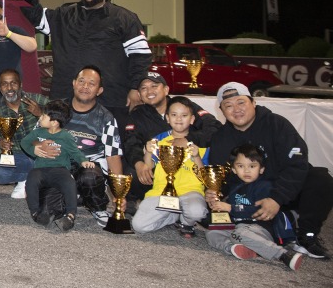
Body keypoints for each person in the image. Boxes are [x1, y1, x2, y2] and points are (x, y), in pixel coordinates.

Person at [206, 82, 333, 260]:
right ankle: (266, 229)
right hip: (250, 196)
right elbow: (222, 176)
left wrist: (276, 198)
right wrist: (213, 192)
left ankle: (307, 235)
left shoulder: (277, 124)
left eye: (241, 102)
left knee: (320, 178)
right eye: (228, 105)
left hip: (285, 192)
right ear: (222, 110)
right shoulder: (220, 138)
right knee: (206, 215)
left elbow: (297, 164)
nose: (236, 109)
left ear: (253, 103)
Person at [22, 0, 151, 121]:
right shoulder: (65, 14)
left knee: (109, 142)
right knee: (62, 142)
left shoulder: (124, 17)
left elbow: (140, 56)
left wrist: (135, 88)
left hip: (109, 98)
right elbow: (37, 17)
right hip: (65, 97)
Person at [37, 66, 125, 226]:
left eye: (91, 84)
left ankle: (98, 207)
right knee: (45, 214)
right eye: (81, 81)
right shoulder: (56, 108)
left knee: (89, 176)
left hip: (89, 168)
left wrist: (118, 195)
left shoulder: (106, 118)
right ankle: (75, 196)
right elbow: (35, 139)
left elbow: (113, 156)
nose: (85, 87)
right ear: (73, 83)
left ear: (99, 90)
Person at [122, 71, 221, 204]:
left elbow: (214, 126)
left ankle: (207, 200)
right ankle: (144, 202)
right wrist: (139, 163)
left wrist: (188, 139)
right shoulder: (136, 115)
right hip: (158, 168)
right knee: (130, 172)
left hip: (189, 167)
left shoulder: (183, 105)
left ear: (166, 89)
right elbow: (130, 142)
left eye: (154, 86)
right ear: (139, 95)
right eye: (144, 88)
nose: (149, 91)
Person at [204, 143, 304, 271]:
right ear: (233, 169)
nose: (246, 171)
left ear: (261, 169)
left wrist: (231, 208)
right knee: (212, 232)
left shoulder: (265, 187)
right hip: (238, 227)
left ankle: (283, 254)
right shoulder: (235, 187)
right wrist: (216, 205)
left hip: (260, 228)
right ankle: (234, 248)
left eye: (252, 166)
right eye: (240, 166)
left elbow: (258, 211)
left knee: (239, 232)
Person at [130, 97, 208, 237]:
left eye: (184, 115)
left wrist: (196, 157)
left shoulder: (201, 142)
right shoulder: (159, 139)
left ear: (192, 119)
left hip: (190, 191)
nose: (179, 119)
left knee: (197, 212)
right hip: (162, 192)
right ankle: (173, 216)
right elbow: (149, 167)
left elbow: (205, 176)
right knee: (139, 225)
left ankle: (185, 221)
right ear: (167, 118)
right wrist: (148, 151)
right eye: (174, 115)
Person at [20, 99, 95, 231]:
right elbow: (24, 142)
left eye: (43, 116)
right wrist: (34, 150)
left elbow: (75, 151)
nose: (40, 118)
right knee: (31, 180)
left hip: (60, 170)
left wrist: (83, 160)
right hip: (40, 169)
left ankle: (70, 215)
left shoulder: (66, 136)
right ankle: (35, 212)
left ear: (54, 122)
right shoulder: (38, 132)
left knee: (69, 183)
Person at [0, 69, 48, 199]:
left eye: (13, 83)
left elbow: (61, 116)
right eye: (4, 84)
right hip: (18, 156)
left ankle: (28, 180)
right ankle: (31, 178)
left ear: (20, 84)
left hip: (42, 152)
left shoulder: (36, 99)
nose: (9, 88)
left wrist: (41, 113)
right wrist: (1, 145)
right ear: (0, 88)